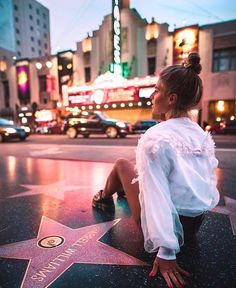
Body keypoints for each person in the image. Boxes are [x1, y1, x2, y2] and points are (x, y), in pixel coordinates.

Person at [92, 52, 219, 288]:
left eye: (157, 90)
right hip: (193, 225)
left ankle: (102, 197)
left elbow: (156, 197)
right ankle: (112, 192)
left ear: (171, 98)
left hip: (168, 230)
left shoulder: (155, 137)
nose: (152, 95)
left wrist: (167, 252)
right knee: (134, 171)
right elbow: (206, 185)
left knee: (121, 164)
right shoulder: (201, 133)